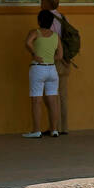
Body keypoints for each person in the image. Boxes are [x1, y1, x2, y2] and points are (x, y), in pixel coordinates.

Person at [22, 9, 62, 138]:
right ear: (51, 22)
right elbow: (60, 55)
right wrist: (50, 58)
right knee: (53, 101)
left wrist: (34, 54)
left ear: (39, 21)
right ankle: (54, 130)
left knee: (36, 100)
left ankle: (36, 130)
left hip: (38, 68)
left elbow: (28, 42)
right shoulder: (56, 36)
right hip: (52, 70)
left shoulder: (35, 32)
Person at [40, 0, 70, 134]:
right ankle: (64, 127)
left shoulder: (47, 18)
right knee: (63, 95)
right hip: (65, 60)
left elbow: (49, 40)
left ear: (47, 4)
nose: (40, 2)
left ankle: (54, 128)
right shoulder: (63, 17)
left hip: (53, 60)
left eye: (43, 0)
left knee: (52, 95)